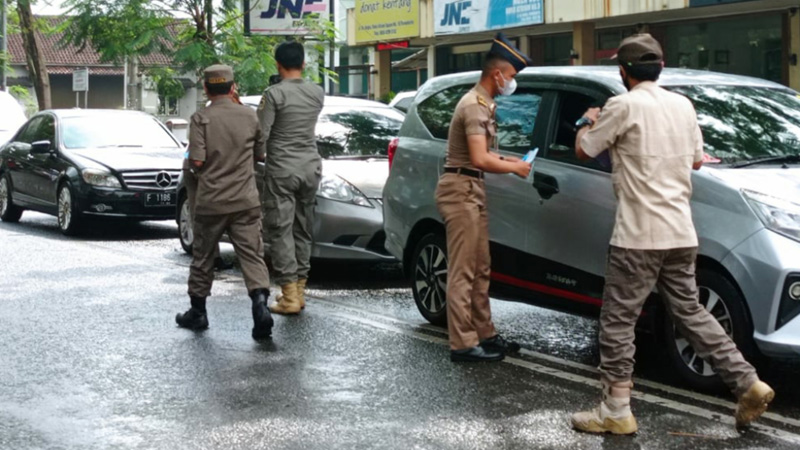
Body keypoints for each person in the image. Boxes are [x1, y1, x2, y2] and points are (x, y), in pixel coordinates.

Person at [571, 34, 774, 435]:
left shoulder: (621, 105)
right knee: (691, 311)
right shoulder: (683, 106)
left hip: (636, 236)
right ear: (660, 69)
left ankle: (616, 409)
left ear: (623, 72)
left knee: (618, 320)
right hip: (681, 232)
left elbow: (584, 151)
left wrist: (585, 122)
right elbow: (697, 160)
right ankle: (748, 383)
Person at [436, 33, 533, 363]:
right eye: (512, 76)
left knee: (480, 268)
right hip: (461, 191)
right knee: (463, 270)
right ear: (498, 74)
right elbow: (478, 158)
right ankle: (462, 343)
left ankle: (484, 334)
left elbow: (485, 155)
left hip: (471, 190)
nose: (512, 83)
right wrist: (514, 169)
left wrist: (511, 161)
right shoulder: (474, 106)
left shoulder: (484, 104)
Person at [176, 64, 274, 340]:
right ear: (232, 87)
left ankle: (198, 313)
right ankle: (260, 305)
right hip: (245, 200)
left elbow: (196, 160)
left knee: (203, 256)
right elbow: (261, 155)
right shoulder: (249, 116)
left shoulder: (200, 118)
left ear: (206, 88)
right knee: (252, 255)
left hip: (211, 202)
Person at [257, 41, 325, 315]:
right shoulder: (317, 93)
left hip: (283, 169)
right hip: (311, 167)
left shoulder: (273, 94)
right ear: (303, 64)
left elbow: (261, 133)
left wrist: (258, 154)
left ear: (277, 64)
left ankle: (288, 296)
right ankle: (301, 289)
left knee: (280, 229)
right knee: (303, 228)